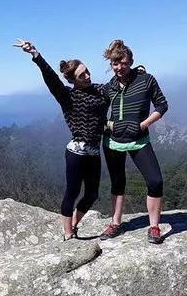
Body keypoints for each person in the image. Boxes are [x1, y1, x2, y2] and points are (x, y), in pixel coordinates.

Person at [13, 38, 109, 240]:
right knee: (72, 192)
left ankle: (73, 224)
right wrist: (35, 54)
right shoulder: (68, 96)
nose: (88, 76)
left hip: (94, 151)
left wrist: (137, 72)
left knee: (92, 194)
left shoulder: (100, 90)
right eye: (82, 75)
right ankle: (67, 233)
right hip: (76, 152)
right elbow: (51, 79)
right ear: (73, 79)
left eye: (88, 71)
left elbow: (116, 84)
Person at [99, 39, 168, 244]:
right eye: (115, 63)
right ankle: (115, 223)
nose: (120, 68)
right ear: (110, 64)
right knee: (118, 183)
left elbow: (162, 106)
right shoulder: (108, 87)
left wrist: (142, 125)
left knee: (155, 181)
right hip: (112, 142)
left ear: (131, 61)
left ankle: (154, 227)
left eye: (124, 63)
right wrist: (110, 125)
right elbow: (98, 116)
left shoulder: (146, 80)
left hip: (139, 140)